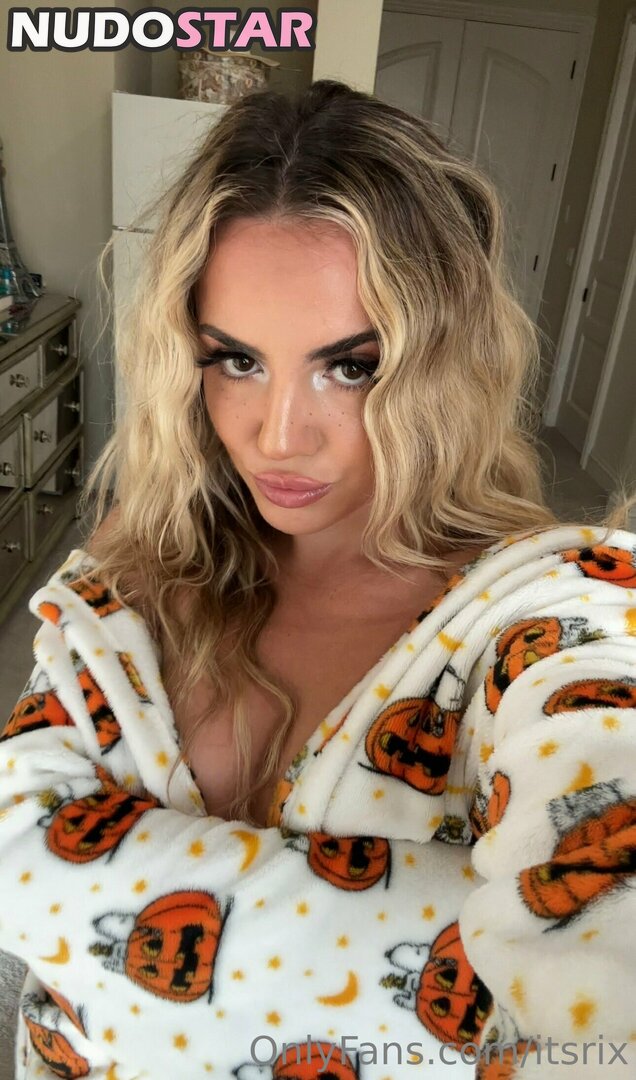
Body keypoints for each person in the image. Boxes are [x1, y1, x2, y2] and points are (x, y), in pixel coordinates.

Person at [0, 79, 635, 1080]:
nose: (280, 436)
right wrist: (447, 921)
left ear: (443, 363)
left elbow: (601, 969)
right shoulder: (134, 569)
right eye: (236, 361)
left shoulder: (550, 612)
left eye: (353, 366)